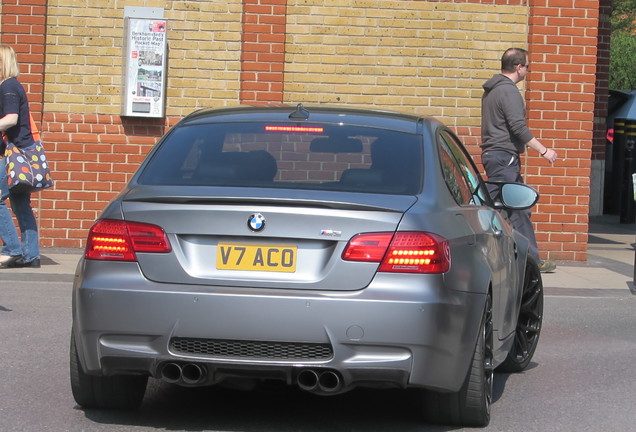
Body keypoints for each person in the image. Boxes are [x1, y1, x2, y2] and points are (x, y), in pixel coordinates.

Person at [480, 47, 558, 273]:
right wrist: (544, 151)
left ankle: (511, 256)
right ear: (518, 67)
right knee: (517, 208)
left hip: (495, 156)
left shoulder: (491, 90)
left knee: (498, 207)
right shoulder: (509, 92)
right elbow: (517, 126)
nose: (527, 71)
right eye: (527, 66)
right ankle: (531, 260)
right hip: (504, 157)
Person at [0, 45, 40, 269]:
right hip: (24, 151)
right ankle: (30, 255)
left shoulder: (8, 86)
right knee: (20, 202)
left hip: (14, 153)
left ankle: (12, 250)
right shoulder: (13, 85)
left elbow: (11, 118)